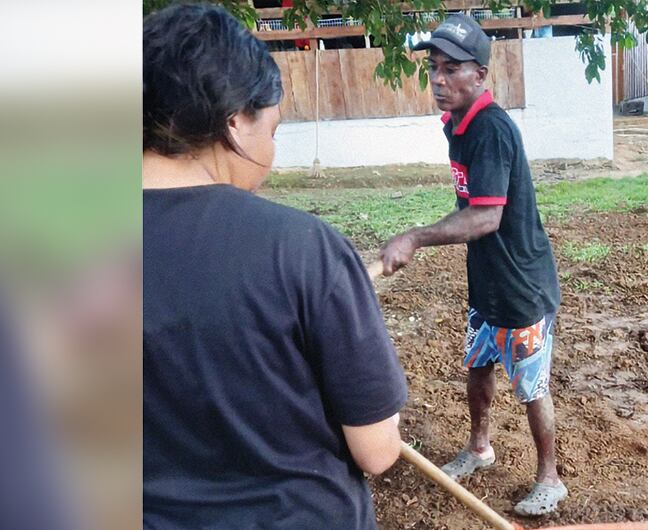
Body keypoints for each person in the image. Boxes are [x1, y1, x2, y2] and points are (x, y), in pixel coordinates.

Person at [142, 5, 407, 529]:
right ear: (236, 120)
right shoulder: (302, 249)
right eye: (273, 129)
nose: (271, 151)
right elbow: (377, 450)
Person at [378, 14, 566, 517]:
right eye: (434, 68)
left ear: (479, 75)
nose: (438, 80)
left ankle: (550, 477)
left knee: (531, 387)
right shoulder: (457, 126)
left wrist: (415, 237)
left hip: (521, 285)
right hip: (486, 280)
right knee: (478, 367)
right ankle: (480, 448)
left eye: (451, 69)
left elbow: (485, 216)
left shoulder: (490, 129)